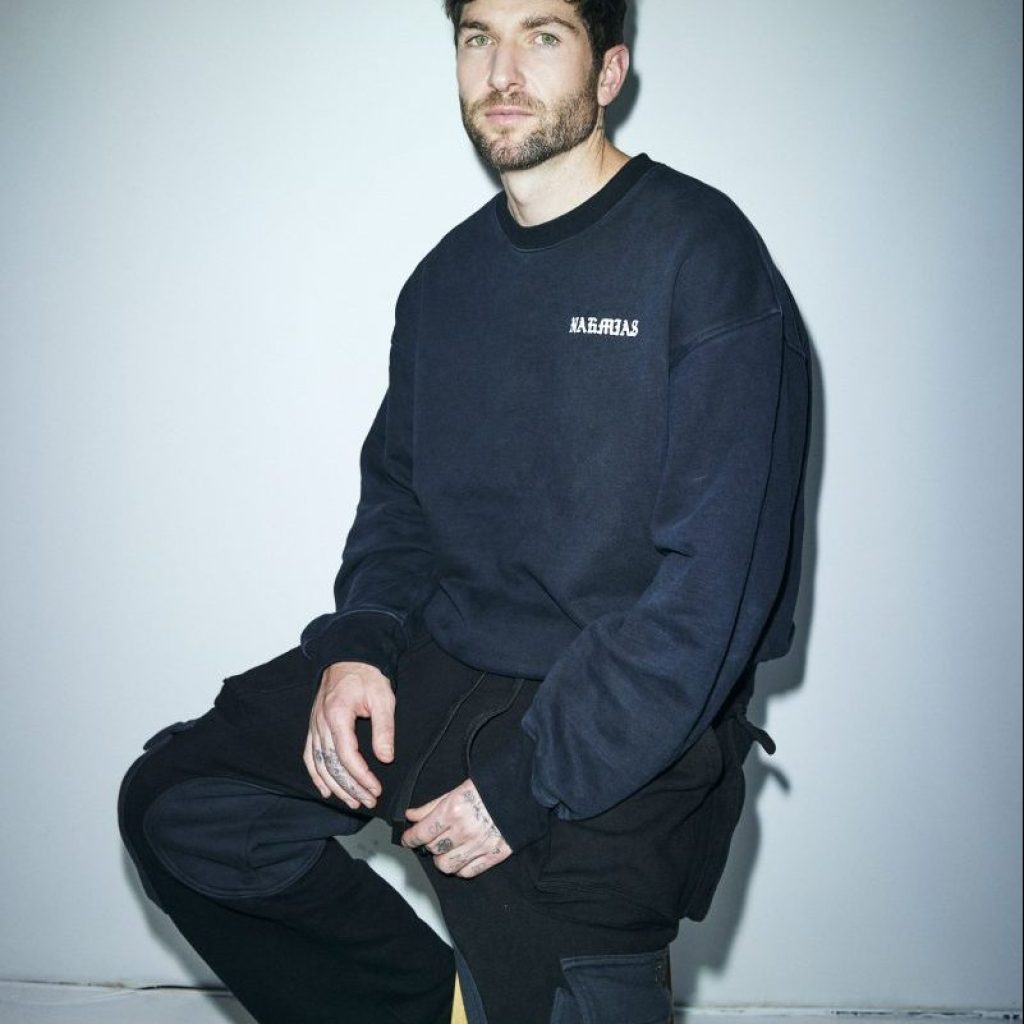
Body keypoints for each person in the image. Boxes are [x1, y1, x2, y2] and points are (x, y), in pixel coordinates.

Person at [118, 1, 811, 1021]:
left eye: (543, 35)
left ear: (609, 71)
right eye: (478, 36)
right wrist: (358, 647)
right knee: (181, 804)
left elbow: (712, 594)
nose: (502, 70)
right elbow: (397, 503)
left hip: (611, 706)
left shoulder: (702, 259)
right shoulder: (445, 281)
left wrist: (531, 781)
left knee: (559, 997)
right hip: (445, 661)